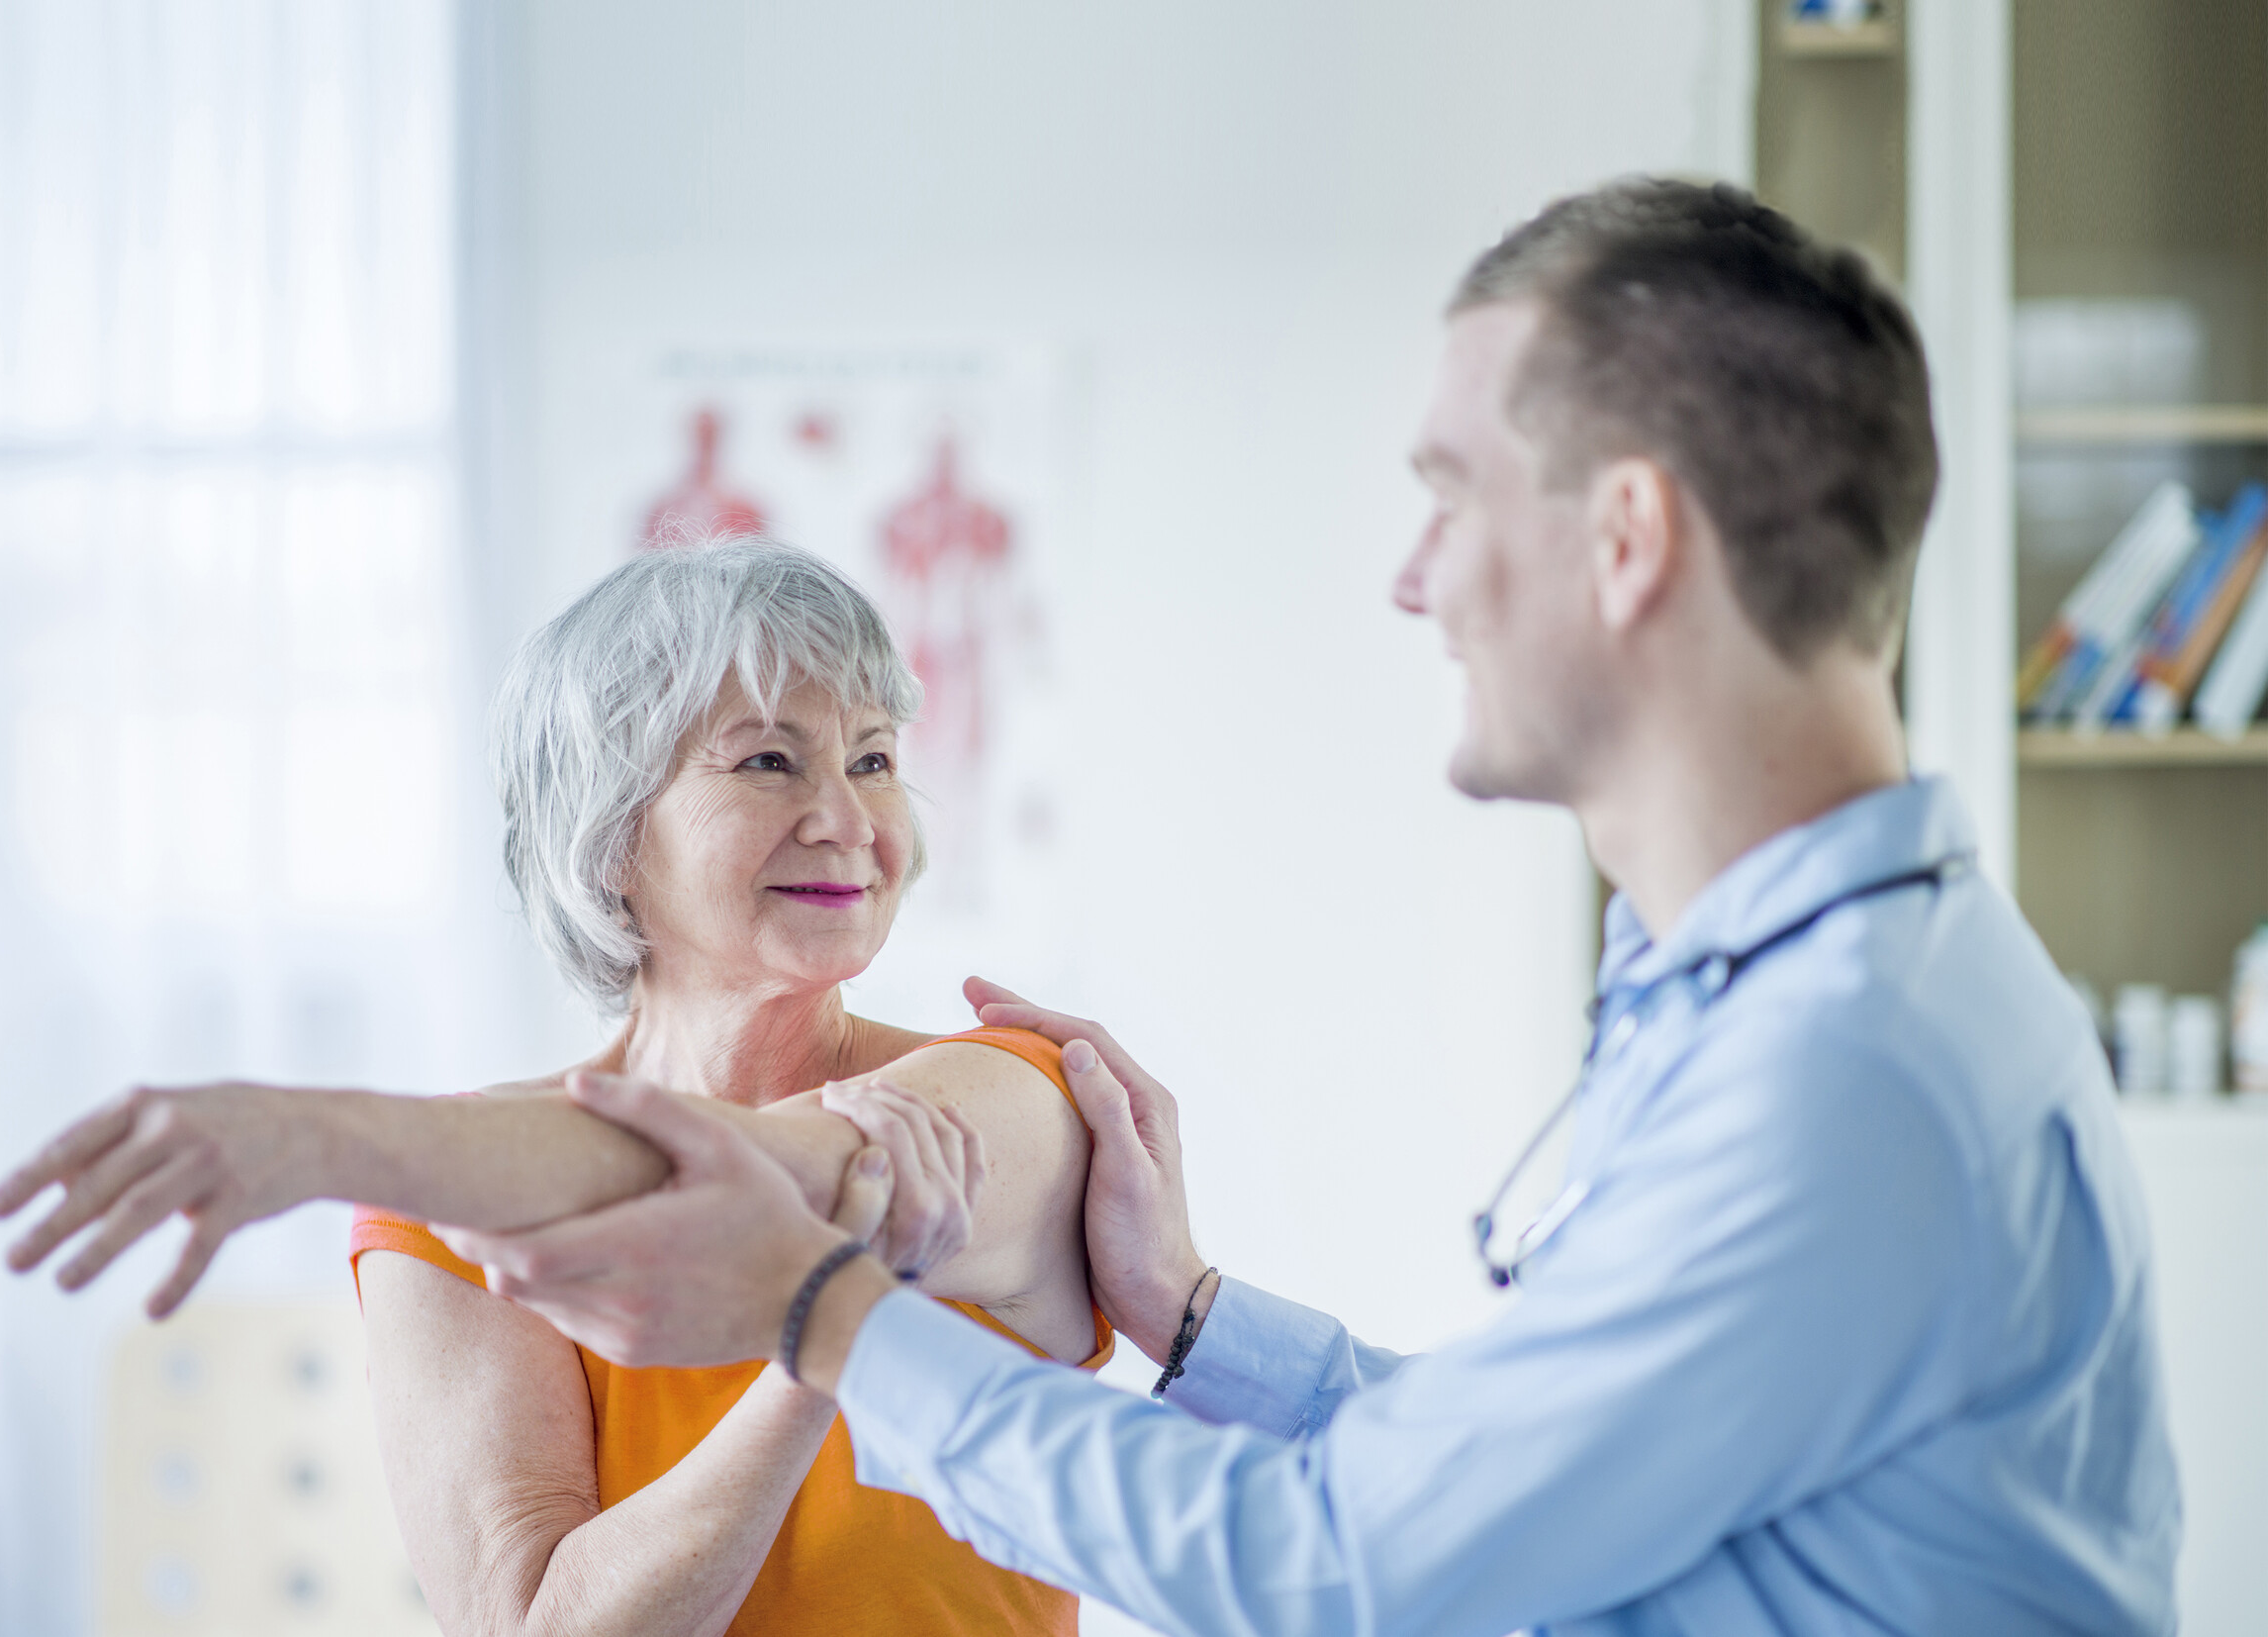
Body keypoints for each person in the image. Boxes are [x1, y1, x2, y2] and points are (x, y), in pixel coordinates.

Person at [440, 181, 2182, 1636]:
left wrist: (830, 1313)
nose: (1413, 580)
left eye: (1451, 495)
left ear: (1627, 538)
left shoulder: (1838, 1068)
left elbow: (1348, 1562)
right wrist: (1195, 1319)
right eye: (764, 761)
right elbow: (1512, 1480)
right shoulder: (1783, 994)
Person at [0, 541, 1111, 1636]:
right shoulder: (444, 1202)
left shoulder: (1010, 1086)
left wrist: (332, 1138)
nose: (850, 821)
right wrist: (820, 1351)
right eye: (769, 761)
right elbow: (541, 1625)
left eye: (872, 759)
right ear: (611, 835)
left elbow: (796, 1174)